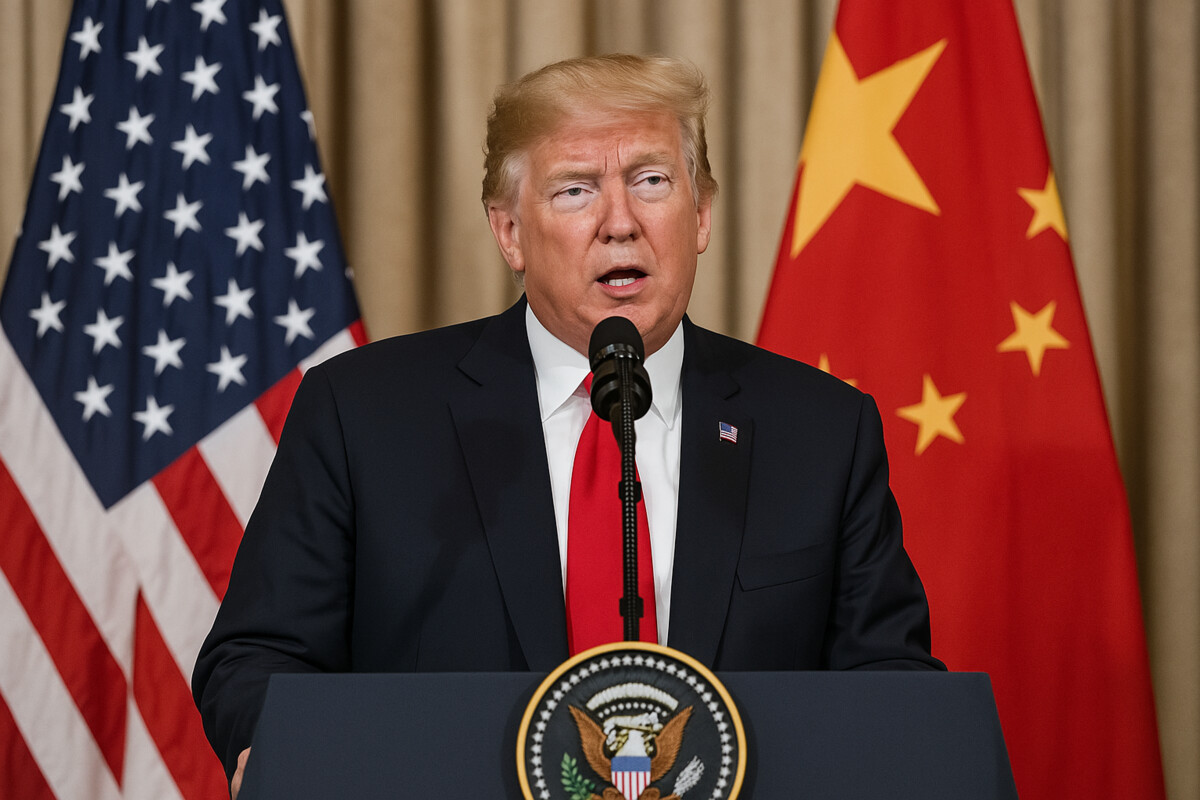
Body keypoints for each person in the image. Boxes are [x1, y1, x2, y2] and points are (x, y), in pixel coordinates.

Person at [192, 53, 944, 797]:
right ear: (510, 233)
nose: (621, 223)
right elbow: (259, 655)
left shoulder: (821, 430)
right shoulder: (363, 413)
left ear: (701, 214)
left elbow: (890, 680)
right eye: (576, 190)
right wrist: (276, 749)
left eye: (651, 181)